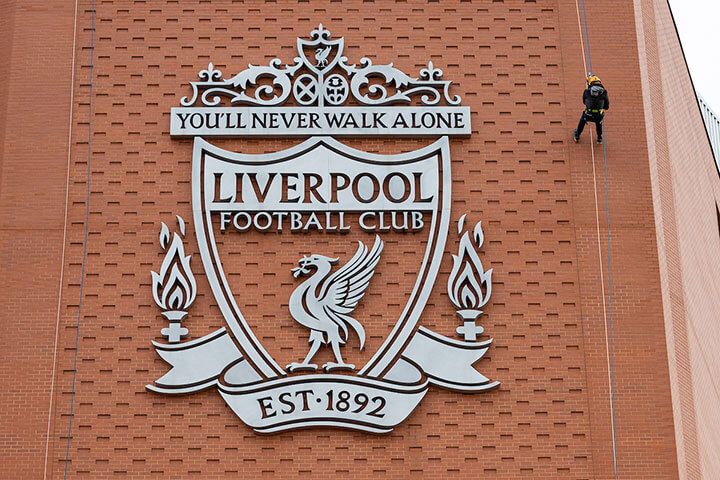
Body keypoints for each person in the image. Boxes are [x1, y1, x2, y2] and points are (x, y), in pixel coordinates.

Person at [573, 74, 609, 144]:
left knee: (582, 120)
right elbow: (606, 106)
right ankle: (599, 138)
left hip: (588, 114)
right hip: (598, 115)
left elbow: (584, 102)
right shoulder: (604, 92)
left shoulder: (586, 92)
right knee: (599, 124)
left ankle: (577, 135)